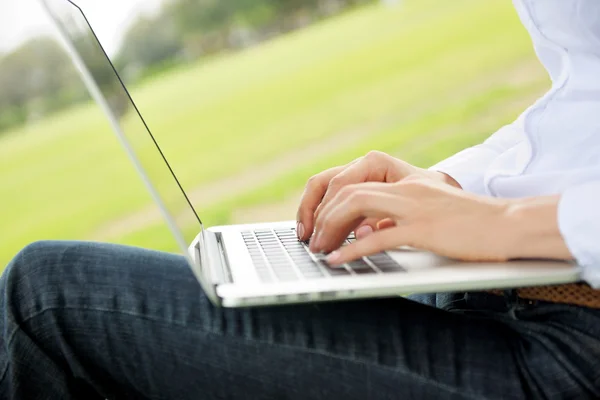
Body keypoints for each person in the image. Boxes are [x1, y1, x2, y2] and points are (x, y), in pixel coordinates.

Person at [2, 1, 600, 399]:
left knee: (45, 296)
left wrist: (514, 222)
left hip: (570, 342)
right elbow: (583, 93)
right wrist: (456, 188)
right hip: (520, 277)